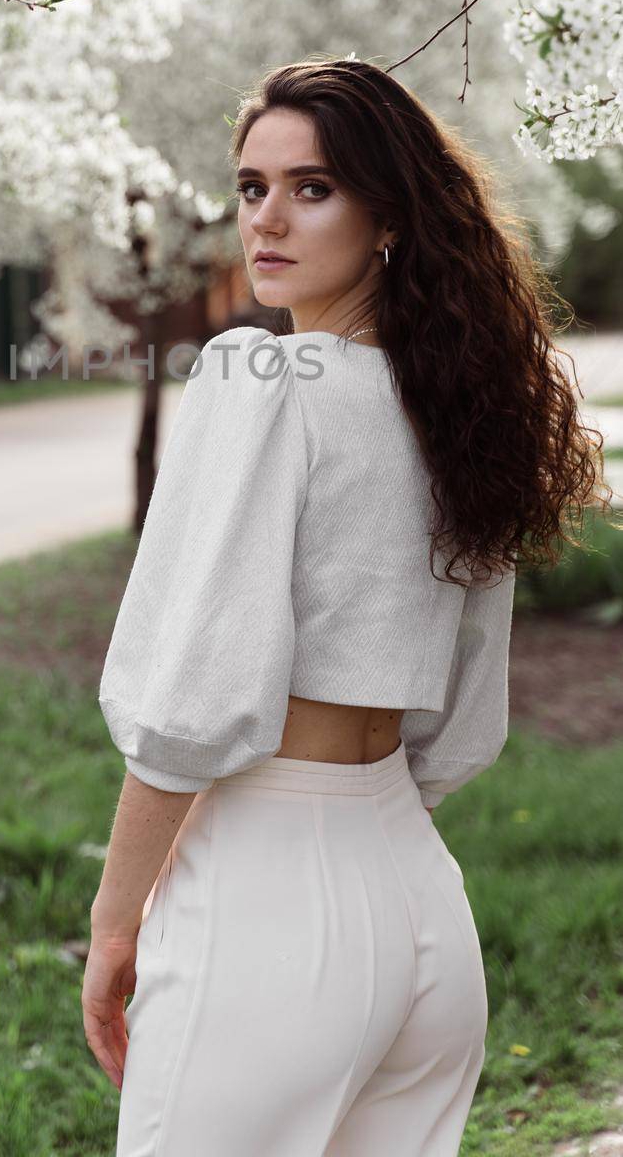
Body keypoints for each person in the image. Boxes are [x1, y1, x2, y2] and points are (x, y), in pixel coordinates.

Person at [82, 57, 617, 1157]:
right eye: (249, 186)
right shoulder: (464, 415)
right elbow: (463, 717)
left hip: (268, 891)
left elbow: (189, 700)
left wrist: (111, 921)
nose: (266, 218)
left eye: (310, 187)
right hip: (417, 898)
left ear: (385, 215)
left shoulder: (258, 381)